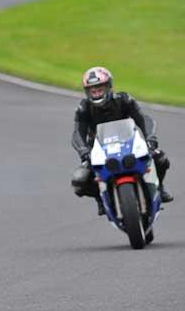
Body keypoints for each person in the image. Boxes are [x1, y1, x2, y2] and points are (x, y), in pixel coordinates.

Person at [71, 66, 173, 215]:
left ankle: (159, 187)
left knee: (160, 157)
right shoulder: (83, 108)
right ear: (87, 92)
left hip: (129, 143)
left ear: (109, 86)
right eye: (92, 90)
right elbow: (77, 134)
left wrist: (150, 139)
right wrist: (84, 151)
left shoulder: (124, 100)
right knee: (80, 180)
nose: (97, 93)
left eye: (100, 89)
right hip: (98, 150)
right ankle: (100, 198)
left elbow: (144, 119)